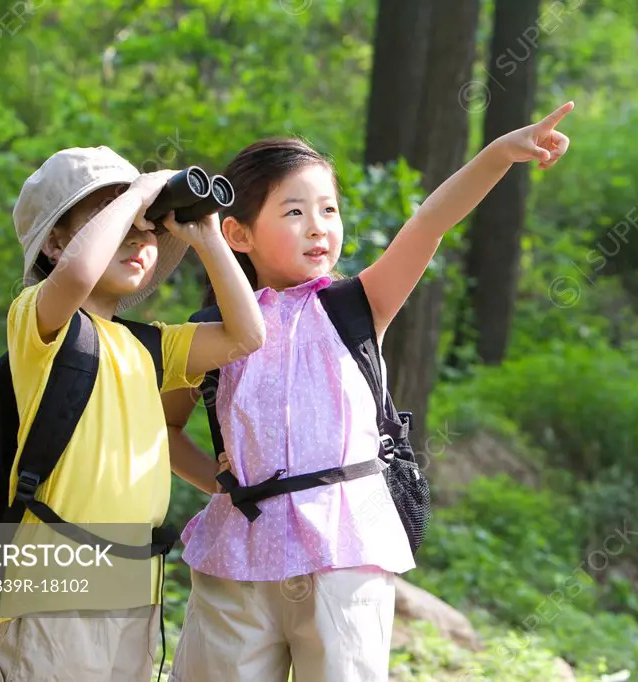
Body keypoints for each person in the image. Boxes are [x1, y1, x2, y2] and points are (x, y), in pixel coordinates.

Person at [163, 101, 574, 682]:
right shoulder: (209, 331)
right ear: (237, 233)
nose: (318, 226)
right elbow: (166, 430)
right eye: (295, 211)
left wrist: (500, 154)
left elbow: (429, 222)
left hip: (344, 547)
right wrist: (222, 482)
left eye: (329, 209)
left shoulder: (356, 305)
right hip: (237, 552)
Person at [0, 146, 266, 682]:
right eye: (111, 220)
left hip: (134, 578)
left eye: (147, 231)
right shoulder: (39, 319)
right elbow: (73, 279)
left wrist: (206, 234)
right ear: (53, 241)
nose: (139, 237)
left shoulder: (149, 346)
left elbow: (247, 335)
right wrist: (140, 192)